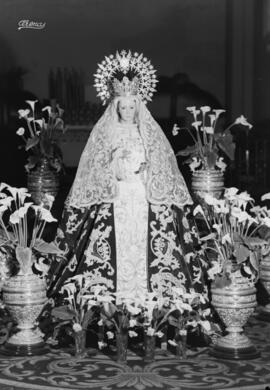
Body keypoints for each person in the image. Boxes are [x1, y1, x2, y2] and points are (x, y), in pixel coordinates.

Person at [47, 50, 208, 303]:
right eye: (123, 105)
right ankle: (112, 295)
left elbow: (160, 159)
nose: (128, 109)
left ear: (139, 105)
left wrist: (149, 168)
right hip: (117, 193)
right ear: (115, 106)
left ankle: (149, 294)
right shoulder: (107, 132)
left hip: (143, 192)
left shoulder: (148, 131)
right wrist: (113, 162)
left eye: (132, 105)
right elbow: (95, 163)